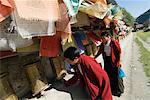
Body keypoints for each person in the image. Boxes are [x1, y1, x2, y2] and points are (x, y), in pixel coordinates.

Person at [95, 31, 124, 97]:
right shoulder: (103, 44)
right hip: (107, 60)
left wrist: (119, 62)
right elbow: (100, 51)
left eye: (103, 38)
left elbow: (119, 52)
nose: (102, 40)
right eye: (101, 39)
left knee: (117, 76)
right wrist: (95, 58)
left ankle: (119, 90)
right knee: (108, 75)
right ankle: (112, 89)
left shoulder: (114, 42)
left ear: (108, 37)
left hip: (114, 61)